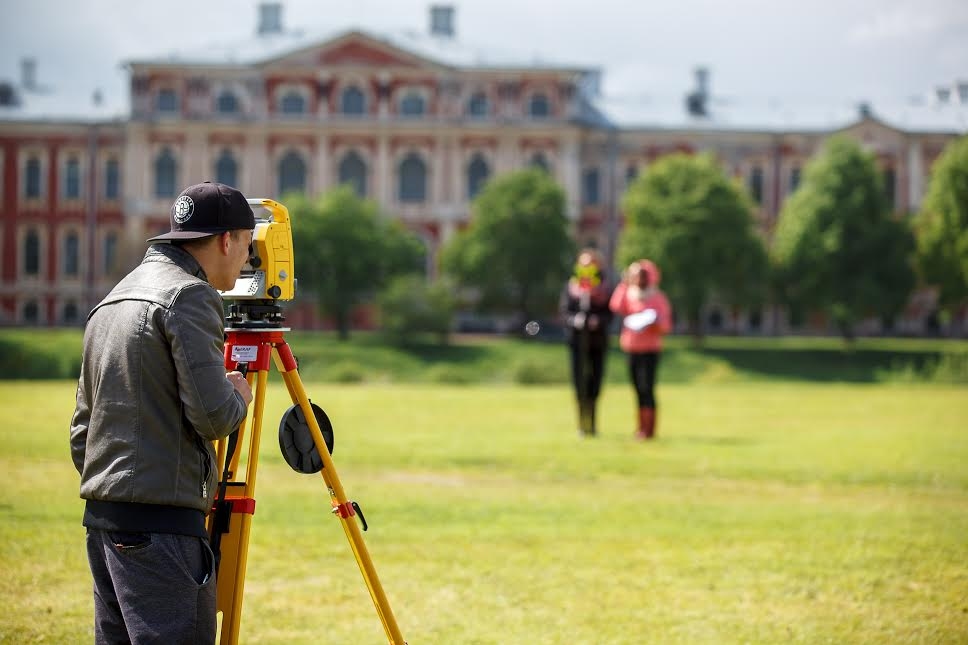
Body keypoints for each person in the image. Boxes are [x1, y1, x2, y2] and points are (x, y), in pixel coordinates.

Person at [69, 181, 256, 644]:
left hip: (104, 520)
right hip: (162, 528)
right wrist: (240, 396)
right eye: (248, 246)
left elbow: (81, 432)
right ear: (226, 240)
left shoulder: (113, 297)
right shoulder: (191, 296)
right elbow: (214, 416)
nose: (248, 260)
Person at [609, 259, 673, 440]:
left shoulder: (657, 297)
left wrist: (652, 324)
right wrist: (624, 283)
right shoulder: (630, 294)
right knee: (637, 388)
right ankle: (640, 427)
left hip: (650, 349)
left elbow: (666, 326)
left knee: (647, 388)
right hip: (632, 348)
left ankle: (649, 429)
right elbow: (615, 306)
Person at [560, 248, 613, 436]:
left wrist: (597, 321)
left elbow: (610, 314)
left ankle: (593, 423)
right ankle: (581, 424)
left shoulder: (605, 288)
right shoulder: (572, 286)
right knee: (579, 383)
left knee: (595, 383)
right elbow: (564, 312)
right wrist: (576, 320)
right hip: (577, 342)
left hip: (597, 342)